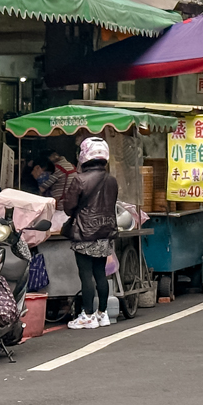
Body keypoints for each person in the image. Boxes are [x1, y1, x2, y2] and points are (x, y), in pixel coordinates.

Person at [61, 136, 119, 330]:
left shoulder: (79, 179)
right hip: (104, 232)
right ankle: (102, 314)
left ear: (84, 156)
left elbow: (69, 207)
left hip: (85, 233)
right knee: (100, 274)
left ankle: (87, 315)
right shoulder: (111, 180)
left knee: (86, 275)